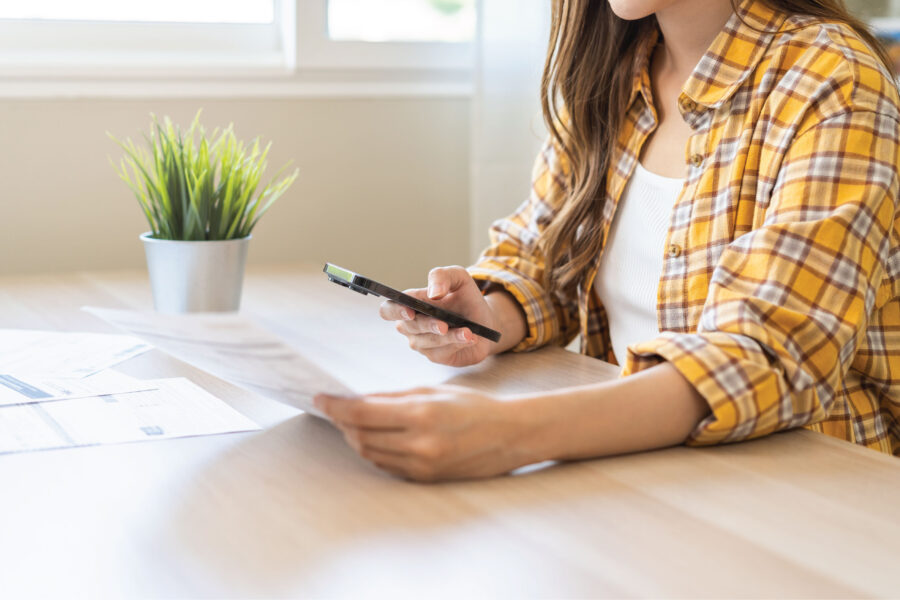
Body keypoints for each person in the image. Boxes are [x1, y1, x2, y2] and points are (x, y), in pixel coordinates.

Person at [315, 0, 900, 481]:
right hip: (646, 469)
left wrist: (509, 432)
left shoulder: (835, 79)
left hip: (810, 488)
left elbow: (769, 352)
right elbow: (544, 259)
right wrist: (487, 314)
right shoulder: (615, 72)